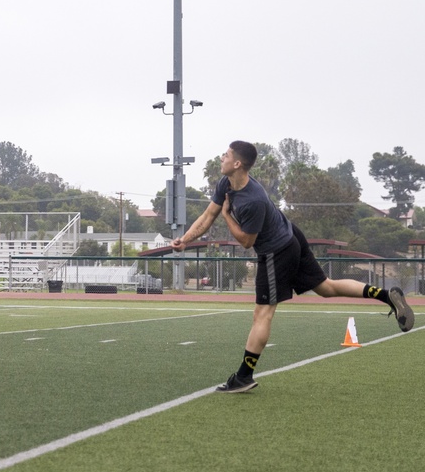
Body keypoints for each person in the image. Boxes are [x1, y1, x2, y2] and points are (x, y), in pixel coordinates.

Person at [172, 141, 415, 393]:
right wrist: (185, 239)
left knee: (262, 314)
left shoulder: (251, 201)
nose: (221, 157)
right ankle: (387, 295)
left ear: (237, 164)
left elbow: (246, 241)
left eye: (226, 155)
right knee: (326, 288)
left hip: (278, 251)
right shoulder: (226, 183)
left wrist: (227, 216)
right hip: (290, 235)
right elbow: (207, 215)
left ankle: (244, 376)